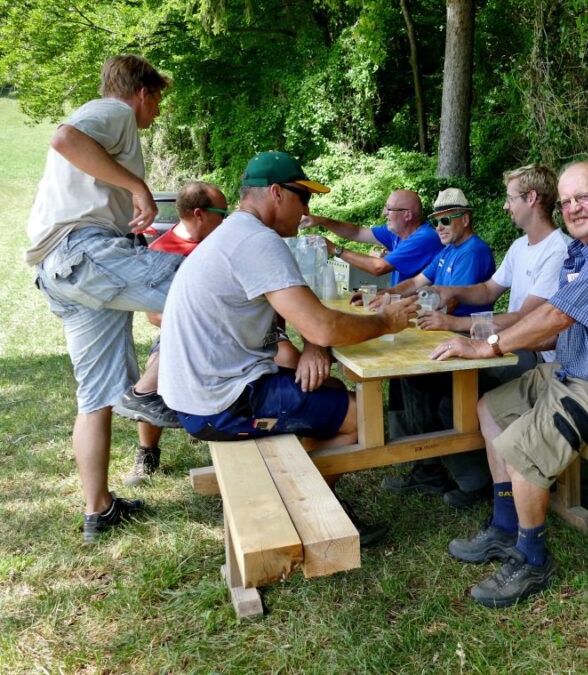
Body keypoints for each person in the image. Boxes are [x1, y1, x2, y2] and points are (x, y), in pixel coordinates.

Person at [430, 157, 588, 607]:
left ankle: (532, 558)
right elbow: (549, 320)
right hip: (576, 373)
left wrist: (488, 345)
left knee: (522, 444)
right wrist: (486, 337)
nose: (573, 208)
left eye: (583, 197)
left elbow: (557, 314)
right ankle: (506, 528)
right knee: (490, 408)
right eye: (565, 201)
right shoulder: (587, 248)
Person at [158, 151, 417, 546]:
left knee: (327, 392)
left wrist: (315, 345)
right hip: (221, 402)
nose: (307, 210)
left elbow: (305, 314)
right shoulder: (257, 241)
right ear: (276, 193)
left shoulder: (237, 233)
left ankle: (298, 486)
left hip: (204, 391)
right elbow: (323, 323)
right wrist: (385, 322)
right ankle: (307, 508)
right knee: (361, 415)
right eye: (302, 197)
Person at [26, 54, 180, 543]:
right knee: (203, 281)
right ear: (143, 93)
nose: (155, 115)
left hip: (63, 273)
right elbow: (64, 138)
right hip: (84, 252)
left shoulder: (111, 124)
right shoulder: (113, 111)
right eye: (157, 103)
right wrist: (138, 185)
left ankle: (100, 511)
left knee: (95, 397)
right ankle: (147, 394)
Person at [386, 166, 569, 508]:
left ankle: (473, 481)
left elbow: (527, 319)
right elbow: (487, 290)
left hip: (534, 356)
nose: (505, 206)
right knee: (426, 381)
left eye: (510, 198)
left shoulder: (558, 250)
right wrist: (446, 290)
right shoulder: (520, 246)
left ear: (531, 199)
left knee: (446, 395)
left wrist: (453, 324)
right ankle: (442, 467)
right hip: (509, 348)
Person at [115, 182, 303, 486]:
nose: (228, 218)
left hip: (248, 330)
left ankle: (287, 420)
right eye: (222, 212)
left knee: (290, 354)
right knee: (161, 364)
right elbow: (155, 315)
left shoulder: (230, 241)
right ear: (200, 214)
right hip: (186, 332)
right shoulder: (163, 250)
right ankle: (147, 450)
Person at [300, 189, 442, 287]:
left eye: (389, 209)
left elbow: (378, 268)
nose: (384, 213)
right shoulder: (396, 231)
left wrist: (334, 249)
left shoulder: (425, 238)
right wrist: (322, 221)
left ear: (407, 215)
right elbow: (356, 232)